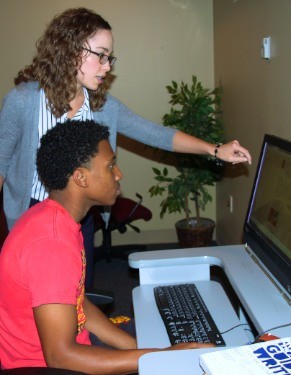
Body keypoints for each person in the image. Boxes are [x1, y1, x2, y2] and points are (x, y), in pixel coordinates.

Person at [0, 7, 252, 288]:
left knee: (77, 294)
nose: (108, 66)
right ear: (71, 50)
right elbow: (1, 163)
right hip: (32, 214)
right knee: (34, 298)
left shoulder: (103, 108)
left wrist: (215, 150)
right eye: (101, 55)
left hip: (79, 217)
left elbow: (156, 134)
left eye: (110, 57)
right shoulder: (23, 102)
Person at [0, 120, 214, 373]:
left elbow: (77, 303)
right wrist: (159, 359)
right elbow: (60, 356)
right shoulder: (51, 244)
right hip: (52, 367)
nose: (118, 174)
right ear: (80, 177)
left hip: (73, 351)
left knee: (163, 337)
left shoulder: (59, 219)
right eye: (110, 165)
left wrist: (142, 349)